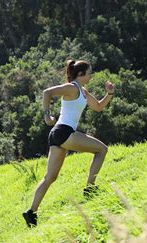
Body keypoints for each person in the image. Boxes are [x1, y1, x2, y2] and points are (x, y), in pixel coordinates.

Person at [22, 59, 115, 227]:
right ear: (81, 75)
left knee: (50, 177)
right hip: (63, 131)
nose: (91, 75)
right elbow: (47, 92)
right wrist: (46, 115)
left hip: (57, 135)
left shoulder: (83, 91)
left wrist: (109, 93)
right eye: (89, 73)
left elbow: (99, 107)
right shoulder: (72, 88)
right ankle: (90, 188)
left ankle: (31, 213)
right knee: (102, 150)